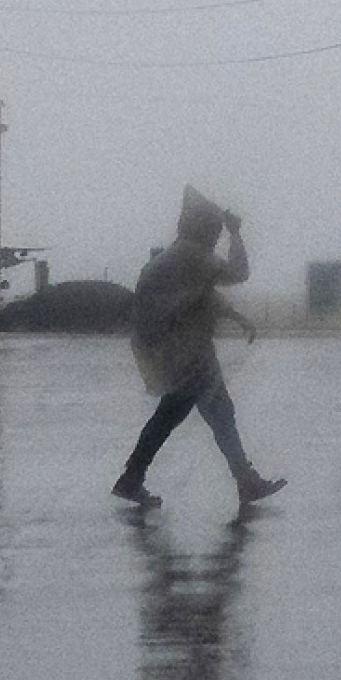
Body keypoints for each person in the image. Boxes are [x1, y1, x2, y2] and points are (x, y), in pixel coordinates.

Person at [113, 187, 286, 509]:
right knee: (187, 415)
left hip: (181, 349)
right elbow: (238, 273)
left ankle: (134, 478)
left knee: (203, 414)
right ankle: (134, 478)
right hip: (184, 352)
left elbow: (200, 294)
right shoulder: (191, 255)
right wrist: (237, 233)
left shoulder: (178, 255)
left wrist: (234, 315)